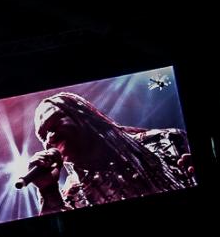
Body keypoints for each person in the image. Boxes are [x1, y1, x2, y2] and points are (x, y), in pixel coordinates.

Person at [20, 91, 195, 214]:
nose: (49, 138)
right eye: (43, 136)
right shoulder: (72, 195)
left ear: (82, 115)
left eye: (53, 124)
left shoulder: (167, 140)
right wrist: (48, 190)